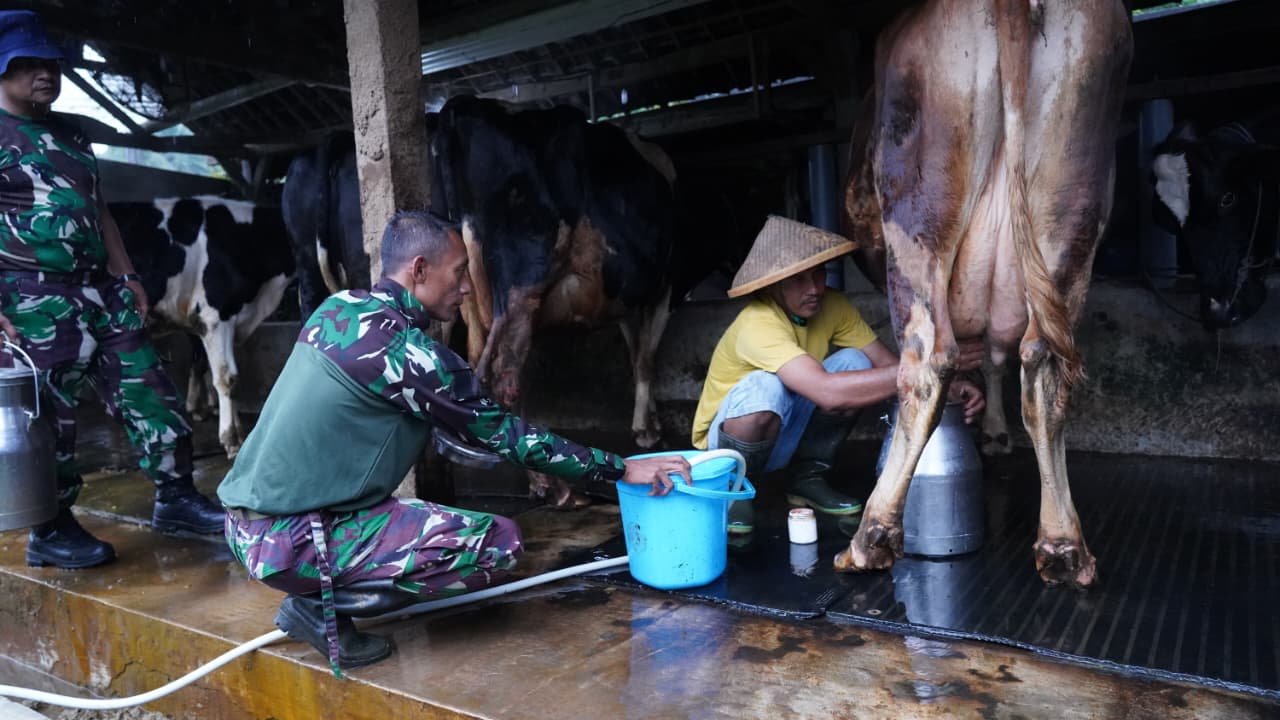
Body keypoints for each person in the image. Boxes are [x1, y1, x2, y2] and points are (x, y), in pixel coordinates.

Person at [217, 211, 691, 674]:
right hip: (290, 544)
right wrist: (622, 468)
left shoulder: (337, 309)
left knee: (408, 516)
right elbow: (512, 438)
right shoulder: (409, 355)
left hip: (244, 527)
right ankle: (320, 607)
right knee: (498, 544)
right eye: (460, 272)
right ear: (419, 270)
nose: (467, 287)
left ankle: (324, 586)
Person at [0, 10, 226, 569]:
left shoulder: (74, 133)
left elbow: (98, 210)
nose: (45, 75)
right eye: (27, 65)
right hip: (30, 298)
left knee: (152, 389)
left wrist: (126, 275)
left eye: (51, 64)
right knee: (48, 419)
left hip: (102, 291)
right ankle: (50, 528)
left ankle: (176, 498)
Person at [691, 216, 984, 535]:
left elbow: (887, 367)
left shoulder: (832, 305)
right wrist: (929, 366)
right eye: (799, 279)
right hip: (722, 452)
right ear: (774, 283)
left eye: (818, 273)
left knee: (856, 363)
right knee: (766, 386)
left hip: (784, 428)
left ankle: (806, 477)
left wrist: (946, 384)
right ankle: (732, 489)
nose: (815, 288)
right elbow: (828, 392)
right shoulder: (757, 322)